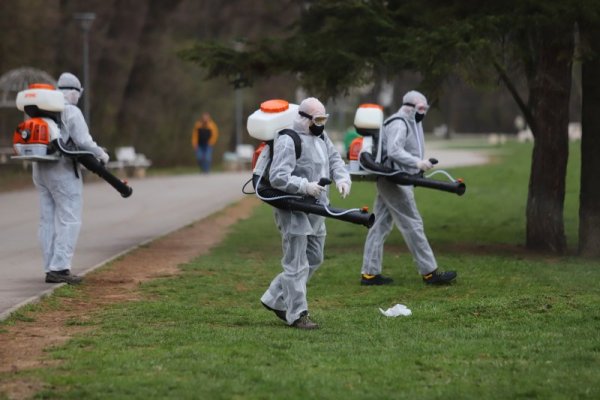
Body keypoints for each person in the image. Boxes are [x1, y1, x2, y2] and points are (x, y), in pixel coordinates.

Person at [260, 97, 351, 330]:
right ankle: (298, 314)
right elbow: (279, 176)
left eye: (324, 119)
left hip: (318, 208)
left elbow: (334, 159)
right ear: (304, 118)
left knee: (314, 258)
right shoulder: (288, 140)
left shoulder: (320, 136)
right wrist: (305, 186)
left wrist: (342, 178)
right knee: (296, 264)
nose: (321, 124)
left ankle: (274, 298)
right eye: (317, 119)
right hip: (294, 208)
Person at [360, 90, 457, 286]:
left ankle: (369, 274)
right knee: (413, 223)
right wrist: (417, 163)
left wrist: (417, 166)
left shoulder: (411, 123)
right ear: (409, 107)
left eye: (425, 108)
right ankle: (430, 272)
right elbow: (395, 150)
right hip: (394, 180)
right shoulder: (399, 123)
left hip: (395, 179)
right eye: (421, 108)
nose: (423, 112)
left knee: (379, 225)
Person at [33, 72, 110, 285]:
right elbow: (83, 141)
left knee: (47, 219)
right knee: (70, 218)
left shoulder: (41, 108)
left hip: (39, 168)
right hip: (62, 170)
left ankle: (49, 266)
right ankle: (60, 268)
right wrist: (101, 154)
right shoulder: (71, 111)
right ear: (75, 92)